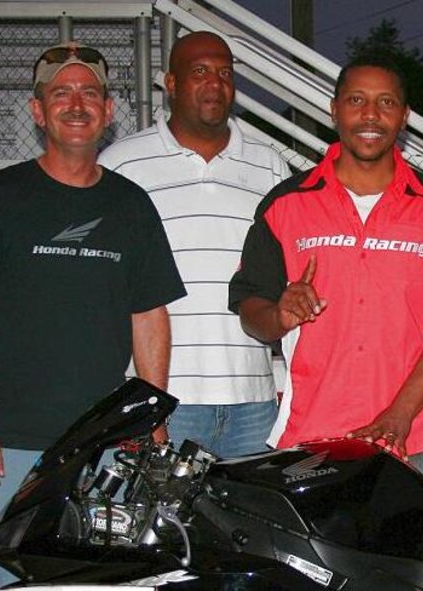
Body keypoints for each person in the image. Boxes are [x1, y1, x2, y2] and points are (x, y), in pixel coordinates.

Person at [0, 43, 186, 591]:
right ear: (37, 111)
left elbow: (149, 314)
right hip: (9, 445)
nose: (76, 104)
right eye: (61, 93)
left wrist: (149, 414)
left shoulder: (131, 205)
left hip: (101, 448)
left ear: (107, 111)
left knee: (89, 582)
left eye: (89, 93)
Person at [228, 57, 423, 515]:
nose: (370, 115)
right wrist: (277, 314)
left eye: (385, 102)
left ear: (404, 116)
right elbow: (250, 304)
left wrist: (399, 415)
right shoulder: (286, 203)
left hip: (414, 439)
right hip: (309, 442)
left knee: (420, 579)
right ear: (334, 110)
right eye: (356, 101)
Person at [99, 31, 291, 458]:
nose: (214, 82)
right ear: (170, 83)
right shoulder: (121, 163)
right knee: (158, 525)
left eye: (224, 73)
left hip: (252, 399)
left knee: (245, 525)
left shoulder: (269, 163)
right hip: (162, 398)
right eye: (199, 71)